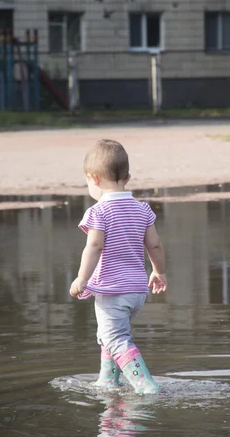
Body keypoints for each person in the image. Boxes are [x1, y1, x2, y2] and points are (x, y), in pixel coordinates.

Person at [69, 139, 167, 395]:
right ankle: (108, 380)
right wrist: (158, 272)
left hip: (112, 291)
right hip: (137, 291)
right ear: (128, 176)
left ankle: (145, 387)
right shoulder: (142, 209)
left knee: (116, 338)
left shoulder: (98, 212)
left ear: (94, 178)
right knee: (109, 335)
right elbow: (155, 246)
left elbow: (94, 247)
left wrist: (81, 278)